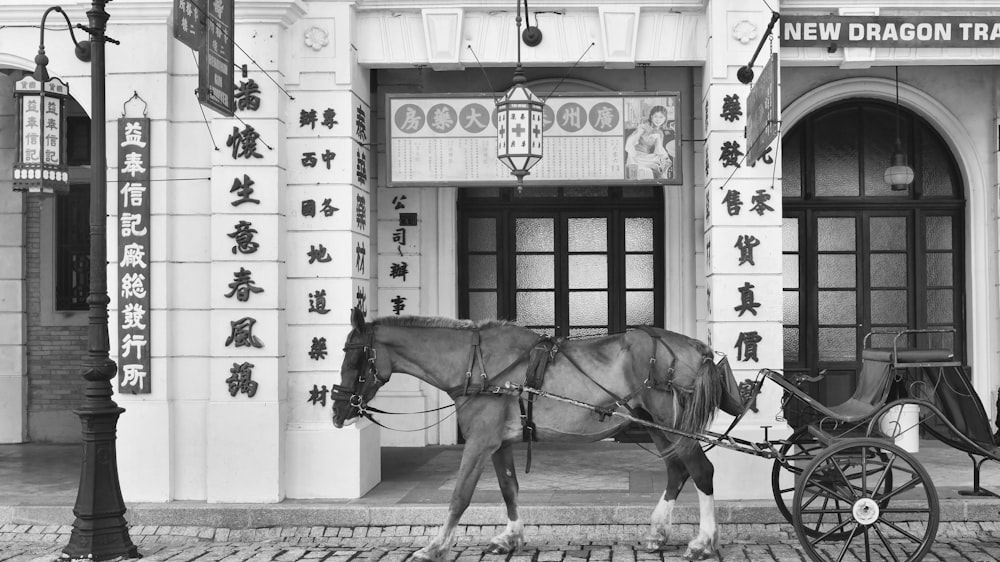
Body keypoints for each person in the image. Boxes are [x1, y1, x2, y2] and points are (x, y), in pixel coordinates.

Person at [624, 105, 674, 180]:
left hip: (646, 156)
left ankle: (662, 180)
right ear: (651, 117)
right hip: (635, 156)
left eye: (661, 117)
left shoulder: (660, 133)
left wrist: (657, 138)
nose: (658, 120)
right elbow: (630, 143)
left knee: (665, 160)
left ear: (665, 119)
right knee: (660, 163)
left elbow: (658, 150)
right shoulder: (643, 127)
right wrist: (639, 132)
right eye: (656, 116)